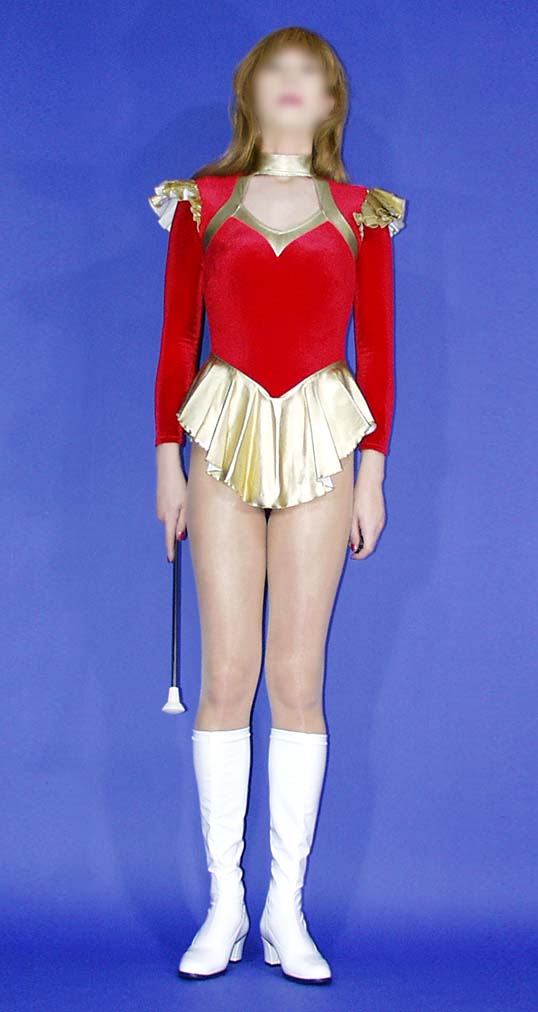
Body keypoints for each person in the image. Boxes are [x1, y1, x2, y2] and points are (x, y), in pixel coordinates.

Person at [148, 26, 406, 985]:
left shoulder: (361, 212)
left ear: (332, 101)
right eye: (276, 70)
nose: (293, 83)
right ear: (249, 93)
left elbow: (378, 351)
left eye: (311, 73)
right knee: (228, 674)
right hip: (220, 435)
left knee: (298, 677)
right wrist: (166, 461)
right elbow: (177, 338)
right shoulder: (204, 203)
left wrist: (372, 474)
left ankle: (284, 912)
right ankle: (225, 905)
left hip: (325, 440)